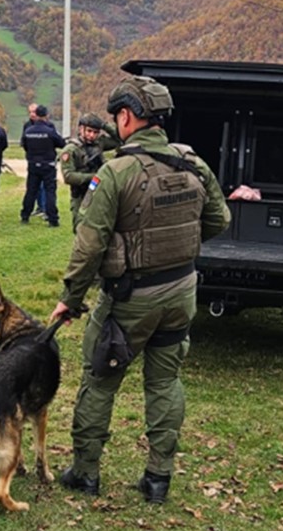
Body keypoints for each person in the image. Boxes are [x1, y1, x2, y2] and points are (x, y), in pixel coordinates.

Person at [48, 76, 230, 504]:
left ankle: (86, 472)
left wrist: (69, 300)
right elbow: (219, 220)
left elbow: (88, 245)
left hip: (130, 299)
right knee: (165, 382)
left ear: (126, 117)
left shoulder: (116, 173)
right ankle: (158, 479)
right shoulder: (192, 163)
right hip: (182, 291)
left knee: (100, 379)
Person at [60, 112, 118, 232]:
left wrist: (104, 125)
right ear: (81, 129)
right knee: (81, 229)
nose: (92, 135)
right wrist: (94, 177)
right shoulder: (71, 150)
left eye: (96, 132)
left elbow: (119, 138)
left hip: (99, 193)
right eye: (89, 131)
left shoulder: (99, 143)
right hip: (81, 196)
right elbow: (69, 176)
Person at [20, 105, 65, 227]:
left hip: (33, 164)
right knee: (50, 191)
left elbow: (24, 145)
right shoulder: (50, 131)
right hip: (48, 165)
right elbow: (61, 143)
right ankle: (52, 219)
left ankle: (25, 215)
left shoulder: (28, 131)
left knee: (31, 191)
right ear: (46, 116)